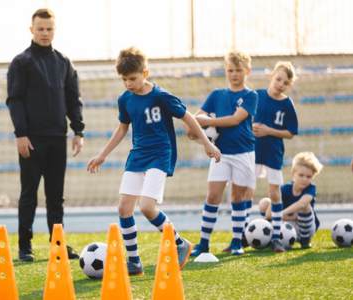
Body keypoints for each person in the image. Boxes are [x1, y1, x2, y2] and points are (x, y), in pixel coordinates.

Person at [87, 47, 221, 275]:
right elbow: (122, 128)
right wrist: (103, 154)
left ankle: (180, 243)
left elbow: (187, 116)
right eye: (124, 80)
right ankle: (134, 261)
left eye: (133, 78)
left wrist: (207, 144)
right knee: (124, 208)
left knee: (147, 207)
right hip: (137, 155)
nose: (128, 83)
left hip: (160, 154)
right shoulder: (125, 99)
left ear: (145, 73)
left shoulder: (161, 96)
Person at [6, 8, 84, 262]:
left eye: (49, 29)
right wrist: (21, 134)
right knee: (29, 193)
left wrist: (78, 130)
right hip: (31, 139)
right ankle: (24, 246)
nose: (45, 33)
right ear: (32, 30)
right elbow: (15, 100)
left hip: (57, 138)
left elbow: (73, 99)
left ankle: (57, 244)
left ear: (54, 30)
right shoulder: (21, 62)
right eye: (40, 28)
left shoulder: (63, 62)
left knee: (56, 195)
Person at [190, 51, 258, 256]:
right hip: (220, 153)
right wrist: (199, 123)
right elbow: (198, 115)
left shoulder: (250, 96)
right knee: (212, 196)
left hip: (243, 153)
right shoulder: (216, 95)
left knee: (237, 197)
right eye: (230, 70)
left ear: (247, 71)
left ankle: (237, 241)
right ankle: (203, 243)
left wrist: (208, 122)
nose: (234, 74)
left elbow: (235, 120)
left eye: (238, 70)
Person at [243, 61, 299, 253]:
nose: (280, 84)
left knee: (275, 193)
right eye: (278, 79)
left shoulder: (286, 104)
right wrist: (251, 128)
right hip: (253, 151)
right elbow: (242, 119)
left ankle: (275, 237)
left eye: (285, 82)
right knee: (247, 192)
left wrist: (269, 130)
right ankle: (242, 234)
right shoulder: (256, 96)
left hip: (274, 153)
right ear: (271, 76)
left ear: (288, 85)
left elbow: (291, 132)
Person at [259, 152, 323, 248]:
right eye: (301, 175)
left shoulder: (311, 188)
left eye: (308, 176)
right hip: (286, 223)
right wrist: (286, 217)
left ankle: (305, 240)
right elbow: (268, 215)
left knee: (306, 206)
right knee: (265, 202)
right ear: (293, 174)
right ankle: (270, 238)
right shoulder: (284, 189)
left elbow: (302, 204)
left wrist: (280, 214)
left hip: (305, 228)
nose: (304, 179)